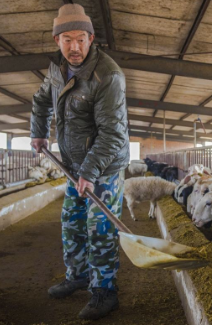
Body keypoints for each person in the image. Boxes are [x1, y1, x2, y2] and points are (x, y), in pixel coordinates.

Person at [30, 3, 129, 320]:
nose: (75, 47)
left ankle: (105, 292)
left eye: (81, 39)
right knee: (72, 224)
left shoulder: (107, 76)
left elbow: (113, 135)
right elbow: (41, 100)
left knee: (99, 229)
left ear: (92, 38)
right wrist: (39, 133)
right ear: (56, 40)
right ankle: (78, 276)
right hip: (73, 165)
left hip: (103, 168)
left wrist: (89, 172)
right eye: (68, 39)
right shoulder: (57, 70)